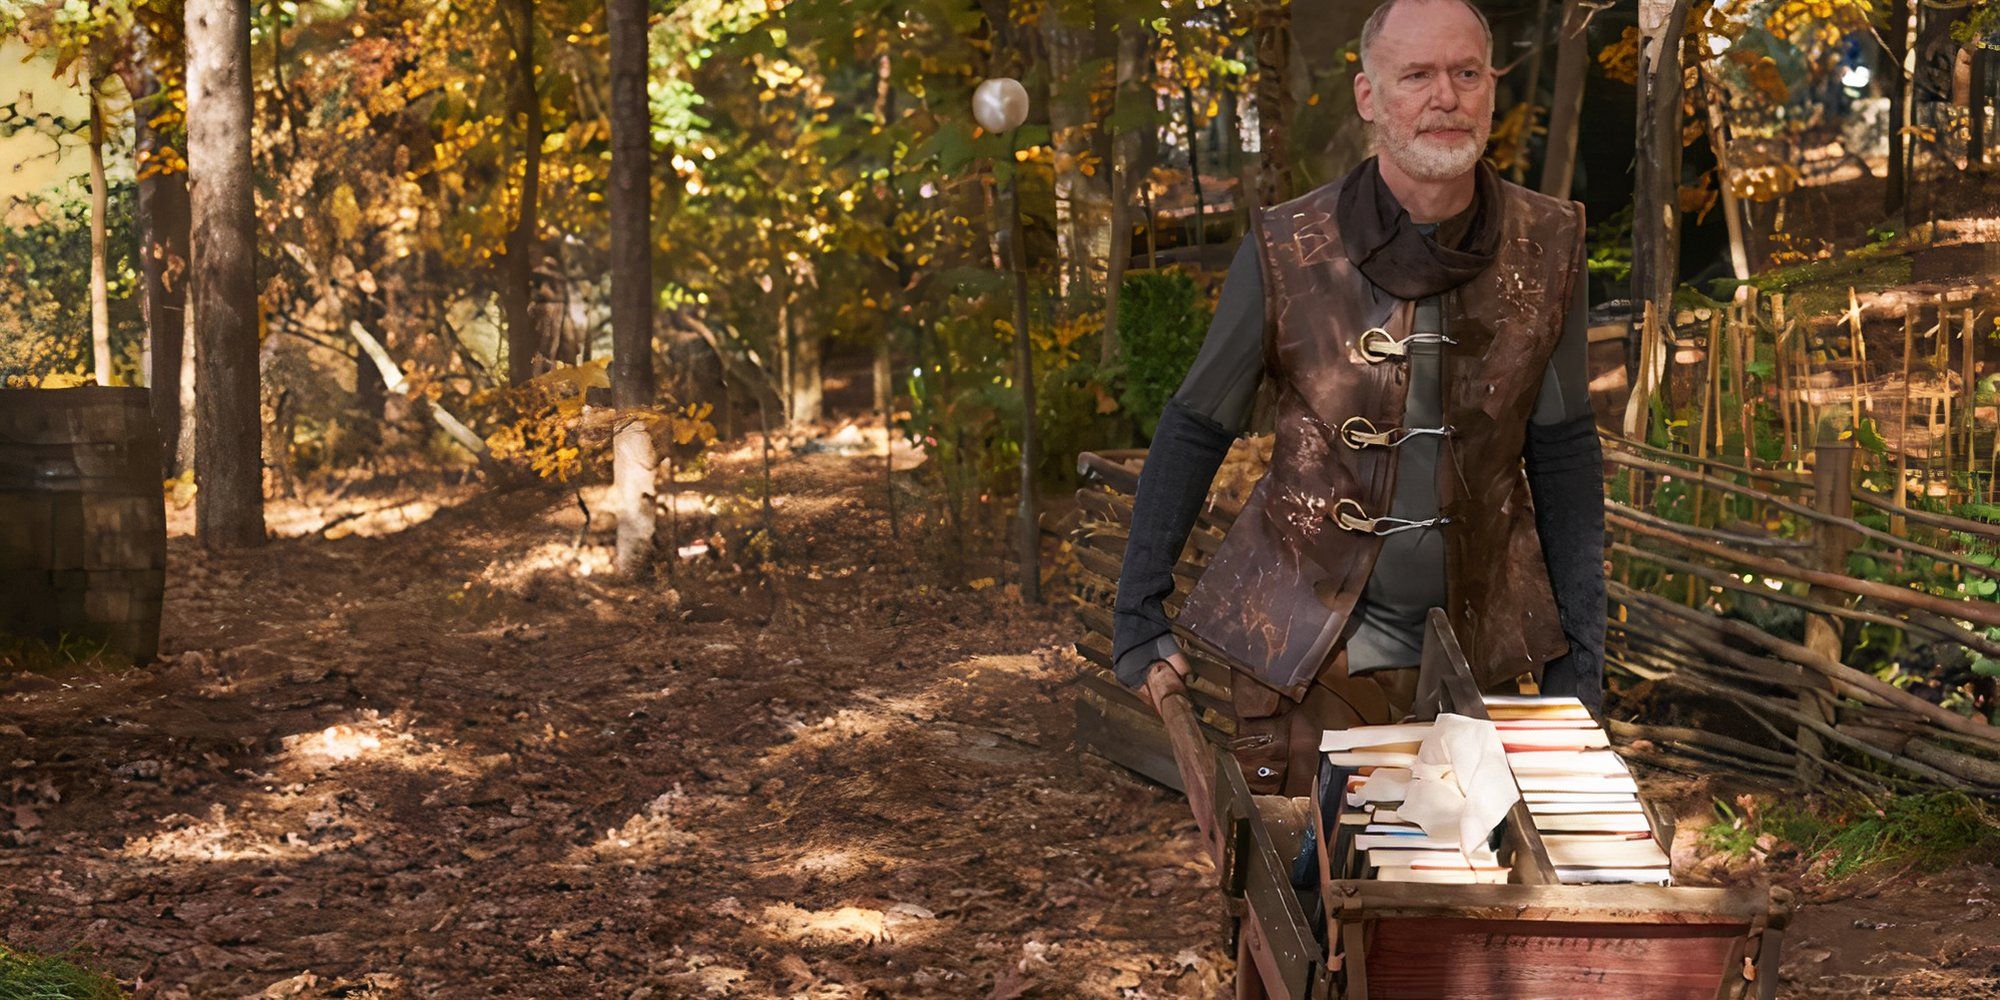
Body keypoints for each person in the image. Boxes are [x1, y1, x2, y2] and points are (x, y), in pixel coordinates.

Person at [1112, 0, 1607, 796]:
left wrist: (1583, 656)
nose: (1445, 97)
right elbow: (1196, 424)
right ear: (1369, 96)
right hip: (1312, 658)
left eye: (1466, 73)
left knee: (1465, 907)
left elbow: (1563, 451)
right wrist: (1138, 610)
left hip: (1486, 655)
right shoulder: (1287, 247)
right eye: (1417, 75)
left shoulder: (1549, 245)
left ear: (1490, 89)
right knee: (1314, 904)